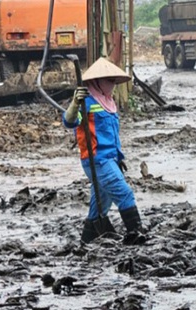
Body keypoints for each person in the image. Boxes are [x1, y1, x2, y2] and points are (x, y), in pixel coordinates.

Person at [63, 57, 146, 244]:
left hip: (111, 159)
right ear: (97, 82)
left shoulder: (108, 102)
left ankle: (87, 240)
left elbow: (112, 135)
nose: (112, 85)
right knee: (125, 195)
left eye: (114, 81)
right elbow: (69, 121)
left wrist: (119, 157)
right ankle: (137, 237)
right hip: (97, 160)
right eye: (109, 81)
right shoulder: (86, 102)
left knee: (100, 205)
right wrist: (75, 103)